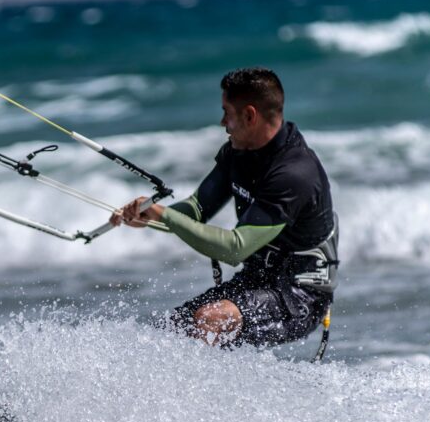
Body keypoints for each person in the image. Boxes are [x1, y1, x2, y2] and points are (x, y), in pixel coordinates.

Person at [110, 67, 338, 347]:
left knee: (211, 319)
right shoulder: (237, 153)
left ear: (250, 115)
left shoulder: (293, 173)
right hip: (255, 281)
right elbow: (196, 208)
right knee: (167, 333)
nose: (222, 122)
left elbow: (234, 248)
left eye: (226, 112)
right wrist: (149, 216)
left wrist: (165, 216)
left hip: (300, 295)